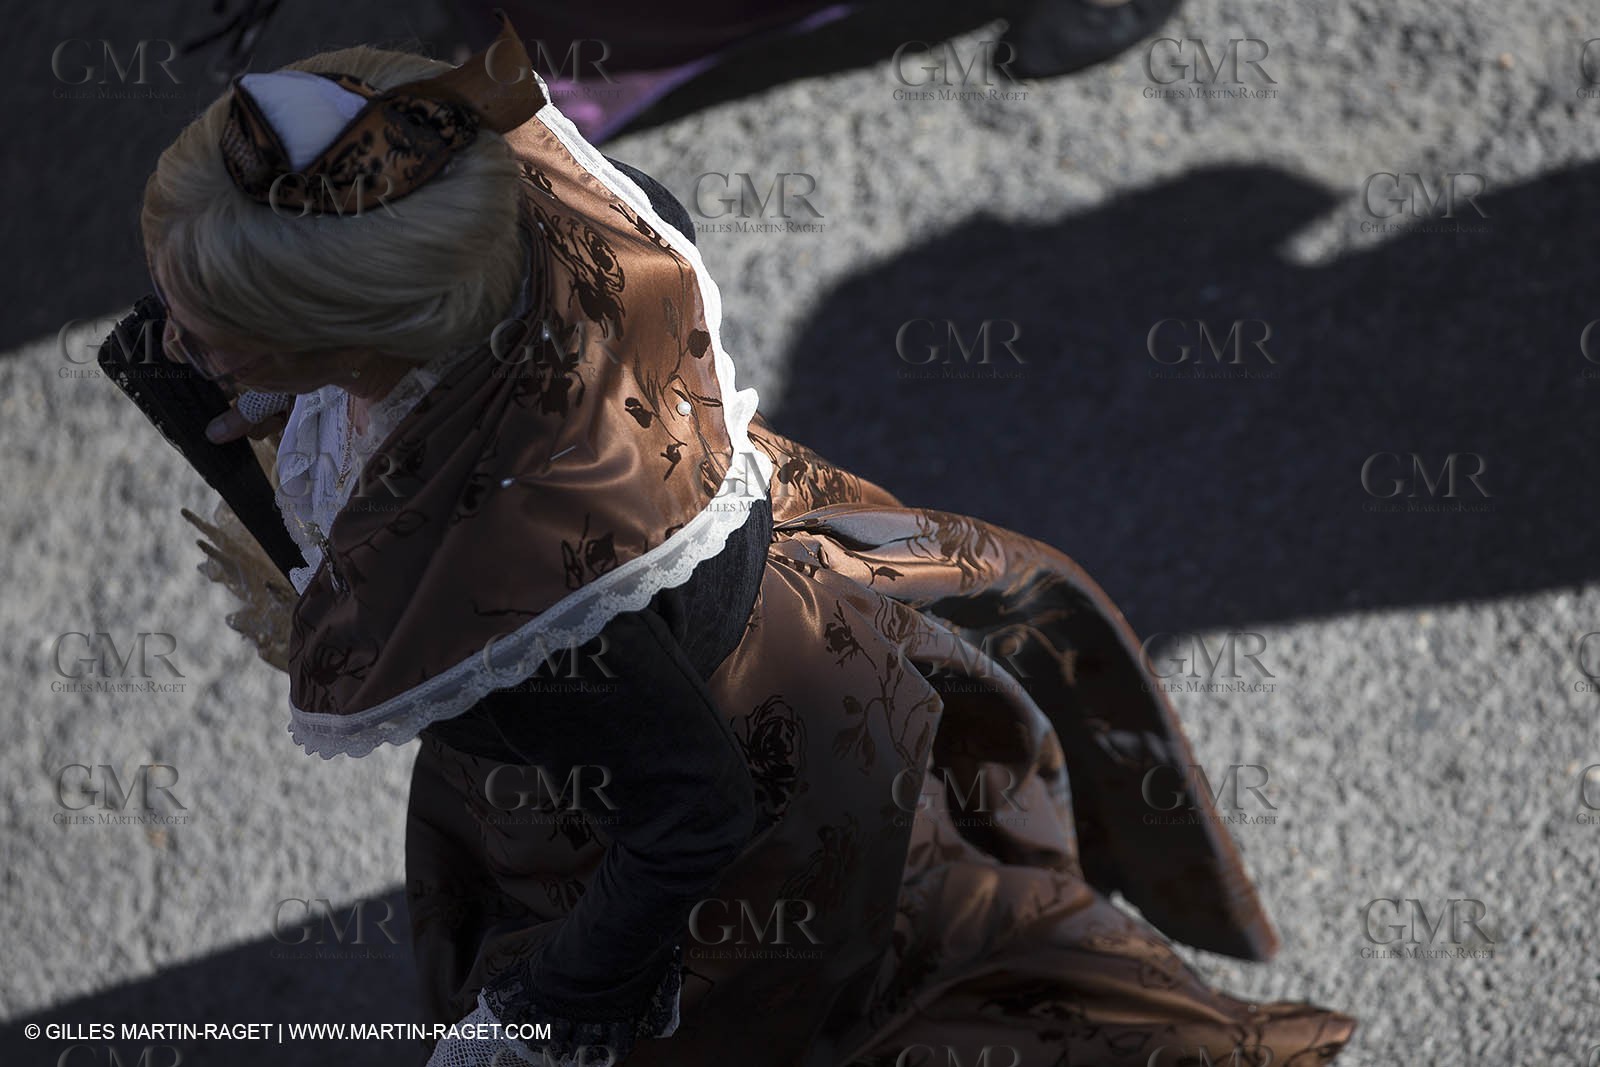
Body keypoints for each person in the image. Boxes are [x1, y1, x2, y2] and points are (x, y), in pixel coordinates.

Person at [139, 17, 1353, 1066]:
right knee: (906, 873)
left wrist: (552, 1006)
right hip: (796, 632)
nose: (181, 346)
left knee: (796, 1000)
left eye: (221, 334)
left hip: (702, 773)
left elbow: (691, 810)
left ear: (372, 340)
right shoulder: (532, 226)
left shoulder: (520, 569)